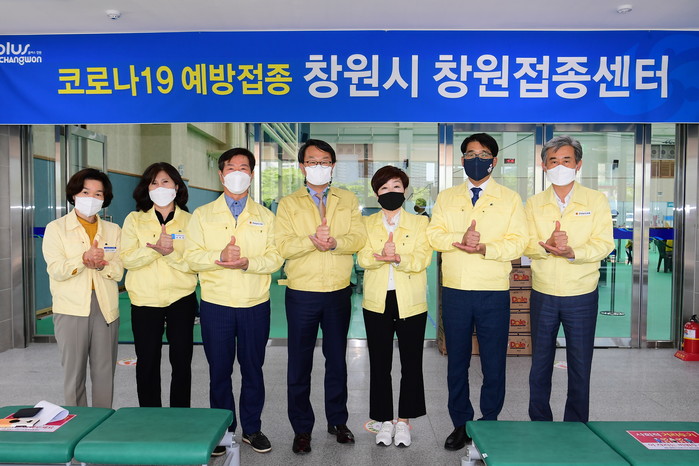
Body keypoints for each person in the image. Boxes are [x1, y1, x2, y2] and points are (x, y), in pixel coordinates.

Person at [426, 133, 528, 450]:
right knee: (456, 362)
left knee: (493, 362)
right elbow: (433, 235)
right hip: (455, 290)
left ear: (494, 161)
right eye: (470, 154)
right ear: (462, 160)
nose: (476, 159)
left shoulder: (509, 198)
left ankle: (489, 422)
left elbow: (518, 242)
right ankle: (461, 423)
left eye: (483, 154)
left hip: (492, 290)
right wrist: (459, 239)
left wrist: (485, 247)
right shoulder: (447, 197)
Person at [184, 148, 283, 455]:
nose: (237, 173)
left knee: (253, 369)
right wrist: (219, 257)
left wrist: (247, 263)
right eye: (231, 167)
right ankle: (223, 430)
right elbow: (191, 257)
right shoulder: (202, 215)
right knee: (219, 371)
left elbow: (276, 258)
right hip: (217, 304)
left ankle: (252, 429)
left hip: (255, 304)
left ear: (251, 175)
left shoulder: (266, 217)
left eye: (243, 168)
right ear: (221, 174)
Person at [274, 138, 366, 454]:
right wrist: (311, 241)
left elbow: (358, 238)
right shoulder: (288, 203)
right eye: (312, 161)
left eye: (324, 161)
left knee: (337, 361)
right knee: (299, 364)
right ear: (302, 166)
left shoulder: (347, 199)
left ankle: (338, 421)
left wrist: (335, 243)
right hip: (302, 292)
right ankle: (302, 428)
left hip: (338, 292)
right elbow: (283, 245)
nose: (318, 166)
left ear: (333, 166)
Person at [524, 135, 614, 423]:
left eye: (566, 160)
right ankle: (540, 422)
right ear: (544, 166)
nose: (560, 166)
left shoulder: (595, 200)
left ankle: (576, 423)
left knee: (580, 363)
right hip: (544, 292)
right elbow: (525, 245)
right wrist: (545, 245)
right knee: (540, 363)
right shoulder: (534, 203)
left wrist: (574, 252)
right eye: (553, 161)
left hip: (582, 293)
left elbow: (604, 243)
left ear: (578, 164)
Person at [357, 166, 431, 448]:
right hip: (377, 301)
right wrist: (380, 256)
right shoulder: (366, 224)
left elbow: (423, 258)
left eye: (397, 186)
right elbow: (362, 258)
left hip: (410, 301)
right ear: (376, 194)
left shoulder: (420, 223)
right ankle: (385, 420)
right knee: (379, 363)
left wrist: (399, 258)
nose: (391, 192)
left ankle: (404, 422)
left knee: (411, 363)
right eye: (385, 188)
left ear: (405, 190)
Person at [42, 168, 123, 408]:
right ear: (74, 194)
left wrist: (101, 265)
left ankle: (102, 421)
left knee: (104, 372)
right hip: (71, 308)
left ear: (104, 198)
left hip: (105, 307)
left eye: (98, 194)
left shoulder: (113, 230)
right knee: (74, 374)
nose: (91, 198)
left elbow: (119, 271)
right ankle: (79, 422)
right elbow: (56, 269)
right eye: (86, 192)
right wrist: (83, 260)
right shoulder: (56, 228)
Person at [121, 162, 197, 408]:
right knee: (147, 361)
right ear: (147, 188)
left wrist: (170, 254)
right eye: (154, 182)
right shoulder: (134, 220)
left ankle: (180, 414)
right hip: (145, 299)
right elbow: (126, 259)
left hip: (181, 299)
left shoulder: (191, 221)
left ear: (177, 186)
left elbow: (194, 264)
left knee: (182, 361)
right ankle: (149, 415)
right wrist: (155, 250)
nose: (160, 187)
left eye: (165, 182)